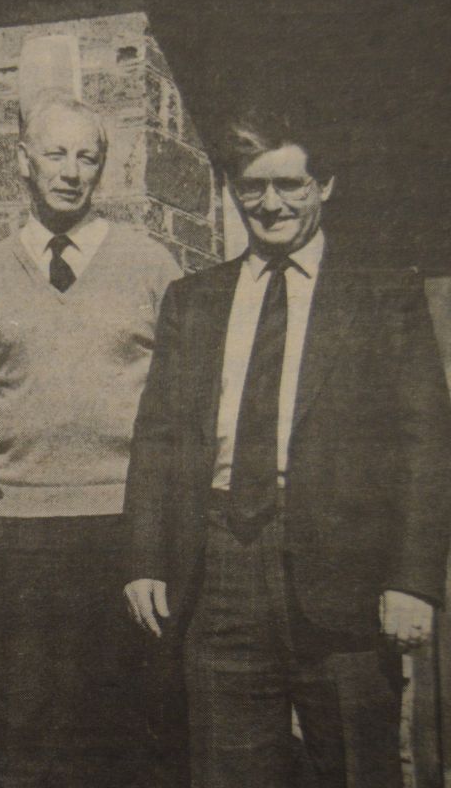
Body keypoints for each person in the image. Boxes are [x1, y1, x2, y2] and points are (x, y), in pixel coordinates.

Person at [124, 106, 451, 788]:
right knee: (228, 770)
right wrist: (147, 558)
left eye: (289, 185)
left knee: (358, 767)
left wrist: (412, 579)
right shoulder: (193, 301)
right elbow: (159, 436)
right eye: (253, 187)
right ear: (233, 190)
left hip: (346, 575)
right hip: (219, 567)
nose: (270, 204)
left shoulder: (381, 295)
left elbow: (426, 443)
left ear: (323, 185)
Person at [0, 91, 181, 787]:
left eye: (87, 156)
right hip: (23, 533)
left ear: (103, 167)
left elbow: (182, 406)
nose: (71, 171)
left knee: (132, 726)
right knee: (30, 726)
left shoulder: (151, 266)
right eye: (56, 154)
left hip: (126, 527)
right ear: (24, 161)